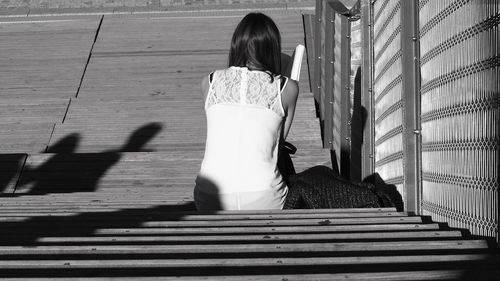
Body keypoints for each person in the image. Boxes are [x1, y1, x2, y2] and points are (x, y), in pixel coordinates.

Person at [194, 12, 299, 211]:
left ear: (236, 45)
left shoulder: (209, 82)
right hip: (264, 197)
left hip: (210, 197)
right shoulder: (287, 88)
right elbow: (278, 144)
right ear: (273, 49)